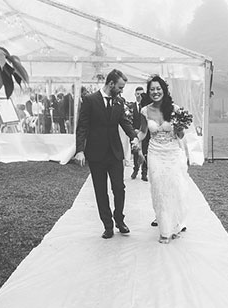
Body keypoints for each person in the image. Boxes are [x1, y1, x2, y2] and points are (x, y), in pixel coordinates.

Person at [74, 69, 142, 239]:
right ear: (111, 84)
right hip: (96, 154)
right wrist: (80, 150)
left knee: (119, 188)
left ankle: (119, 219)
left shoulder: (119, 102)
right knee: (100, 191)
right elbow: (82, 126)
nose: (121, 90)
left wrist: (133, 137)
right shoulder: (90, 100)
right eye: (120, 87)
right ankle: (108, 225)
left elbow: (125, 122)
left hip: (115, 153)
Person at [138, 75, 188, 244]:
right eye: (152, 89)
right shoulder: (145, 111)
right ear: (148, 92)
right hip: (155, 153)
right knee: (159, 189)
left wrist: (179, 128)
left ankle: (175, 224)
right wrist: (135, 140)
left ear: (164, 90)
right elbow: (143, 132)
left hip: (172, 153)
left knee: (174, 188)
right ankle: (164, 230)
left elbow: (181, 135)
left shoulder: (175, 109)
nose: (155, 92)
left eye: (158, 88)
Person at [129, 87, 148, 181]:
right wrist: (134, 130)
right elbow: (128, 120)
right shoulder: (131, 107)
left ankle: (144, 172)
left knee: (145, 152)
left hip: (146, 133)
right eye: (138, 94)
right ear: (135, 94)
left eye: (141, 94)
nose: (139, 96)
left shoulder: (148, 107)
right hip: (135, 132)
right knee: (136, 151)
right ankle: (135, 169)